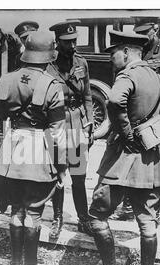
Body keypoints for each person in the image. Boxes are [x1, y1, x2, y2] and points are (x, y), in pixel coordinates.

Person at [78, 30, 160, 265]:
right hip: (151, 162)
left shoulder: (127, 75)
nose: (111, 58)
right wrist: (156, 130)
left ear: (127, 52)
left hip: (121, 159)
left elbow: (114, 101)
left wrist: (129, 133)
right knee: (147, 222)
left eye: (113, 52)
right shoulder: (158, 78)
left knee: (97, 216)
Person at [0, 31, 67, 265]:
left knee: (16, 210)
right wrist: (61, 168)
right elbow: (58, 135)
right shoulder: (52, 86)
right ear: (50, 56)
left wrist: (1, 154)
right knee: (34, 214)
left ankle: (15, 263)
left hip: (11, 154)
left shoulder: (5, 80)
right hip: (38, 155)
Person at [111, 16, 160, 221]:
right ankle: (129, 207)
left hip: (156, 125)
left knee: (156, 167)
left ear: (156, 29)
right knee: (130, 163)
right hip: (134, 122)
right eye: (138, 32)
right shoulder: (134, 52)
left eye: (145, 33)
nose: (141, 37)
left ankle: (153, 211)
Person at [46, 20, 94, 238]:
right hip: (56, 124)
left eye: (74, 41)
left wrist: (90, 121)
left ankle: (83, 219)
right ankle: (57, 218)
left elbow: (87, 96)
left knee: (79, 174)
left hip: (76, 123)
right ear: (57, 42)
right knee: (57, 173)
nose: (73, 46)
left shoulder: (82, 63)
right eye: (67, 42)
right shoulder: (48, 65)